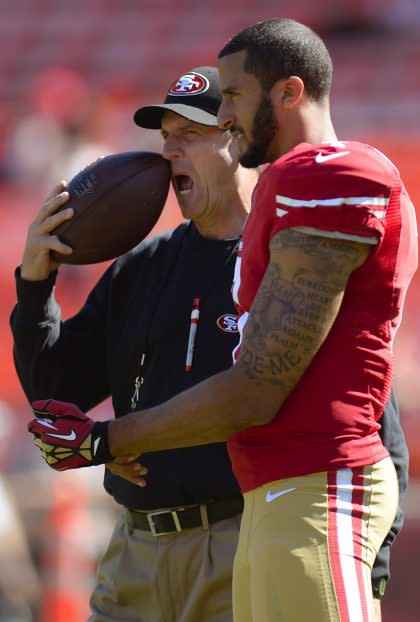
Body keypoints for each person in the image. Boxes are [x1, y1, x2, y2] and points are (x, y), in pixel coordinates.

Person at [17, 26, 415, 620]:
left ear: (237, 137)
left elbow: (358, 404)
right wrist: (36, 284)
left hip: (246, 531)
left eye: (190, 134)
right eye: (165, 136)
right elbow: (57, 395)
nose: (168, 151)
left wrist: (371, 558)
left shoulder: (296, 246)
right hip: (138, 547)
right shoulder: (142, 265)